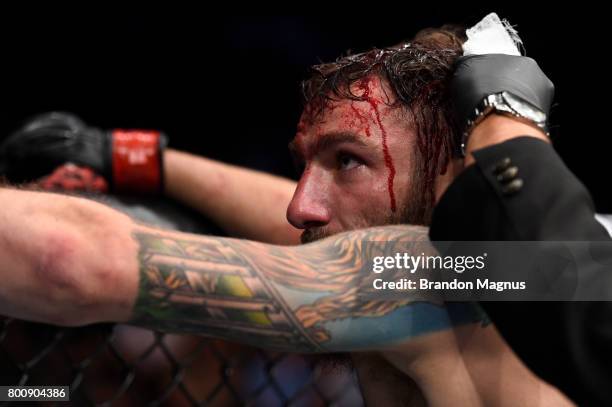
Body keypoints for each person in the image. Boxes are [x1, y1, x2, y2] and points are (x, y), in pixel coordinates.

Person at [0, 25, 571, 406]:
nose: (298, 207)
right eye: (304, 166)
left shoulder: (412, 280)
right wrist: (130, 158)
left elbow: (69, 258)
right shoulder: (552, 266)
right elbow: (339, 236)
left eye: (349, 160)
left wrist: (503, 114)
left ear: (451, 179)